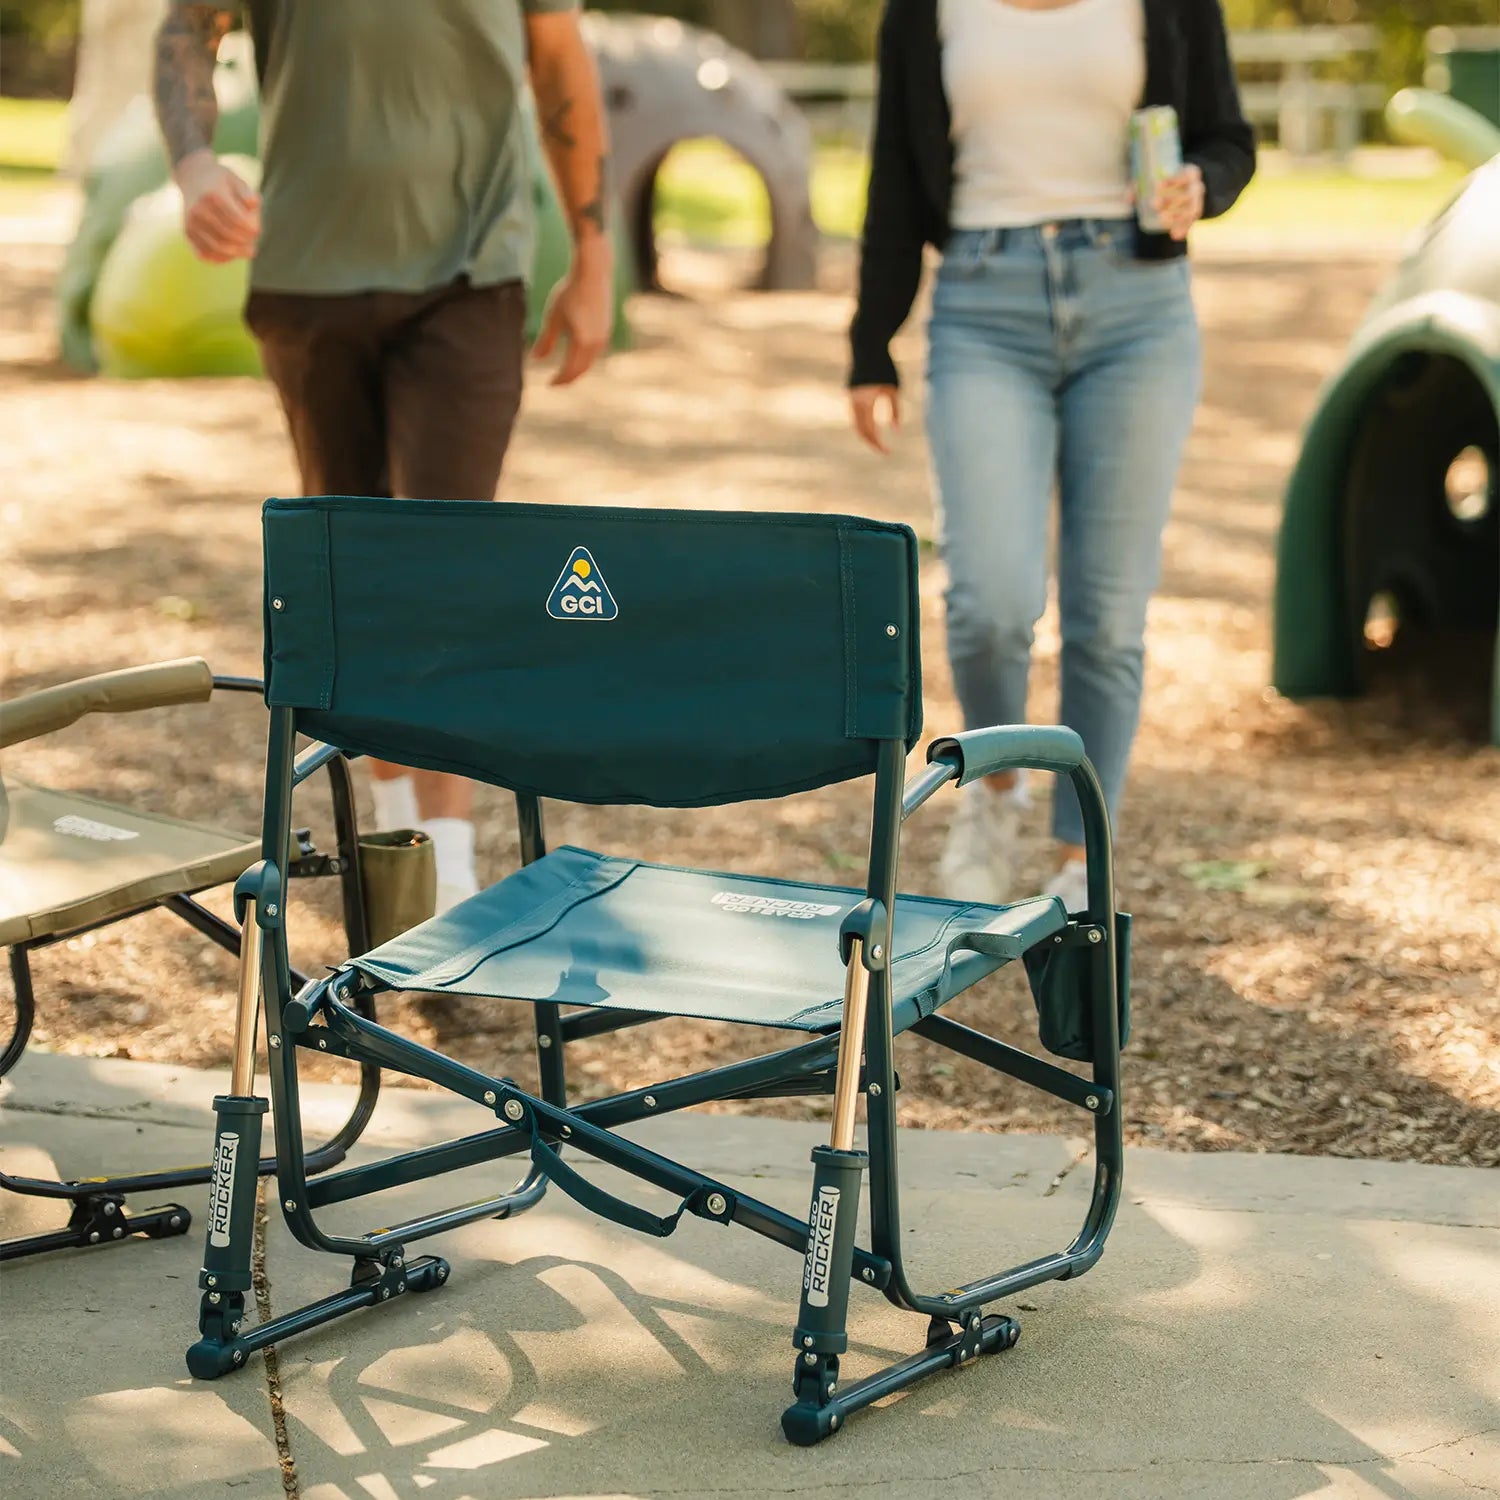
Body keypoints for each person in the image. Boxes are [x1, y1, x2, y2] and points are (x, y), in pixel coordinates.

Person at [153, 0, 613, 911]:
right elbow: (186, 26)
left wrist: (593, 251)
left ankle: (452, 870)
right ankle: (400, 842)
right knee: (359, 584)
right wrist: (194, 161)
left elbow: (558, 55)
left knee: (446, 567)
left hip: (469, 276)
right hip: (306, 276)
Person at [849, 0, 1254, 911]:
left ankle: (1079, 861)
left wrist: (1203, 182)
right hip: (983, 308)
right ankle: (995, 788)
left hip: (1138, 308)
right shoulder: (924, 11)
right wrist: (871, 343)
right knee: (991, 596)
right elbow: (893, 179)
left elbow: (1230, 138)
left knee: (1107, 615)